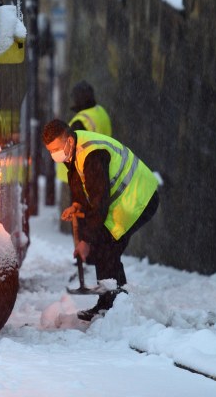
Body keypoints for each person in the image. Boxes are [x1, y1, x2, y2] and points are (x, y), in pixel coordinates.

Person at [43, 118, 160, 321]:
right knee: (107, 249)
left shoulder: (93, 155)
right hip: (123, 199)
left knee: (104, 246)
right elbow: (82, 184)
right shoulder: (75, 153)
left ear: (69, 141)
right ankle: (119, 303)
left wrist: (86, 240)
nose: (55, 155)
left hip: (138, 197)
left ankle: (110, 307)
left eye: (56, 148)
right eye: (50, 151)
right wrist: (77, 205)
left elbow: (99, 202)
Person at [55, 81, 112, 210]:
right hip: (100, 172)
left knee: (78, 219)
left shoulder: (80, 121)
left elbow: (74, 152)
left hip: (78, 178)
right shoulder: (101, 113)